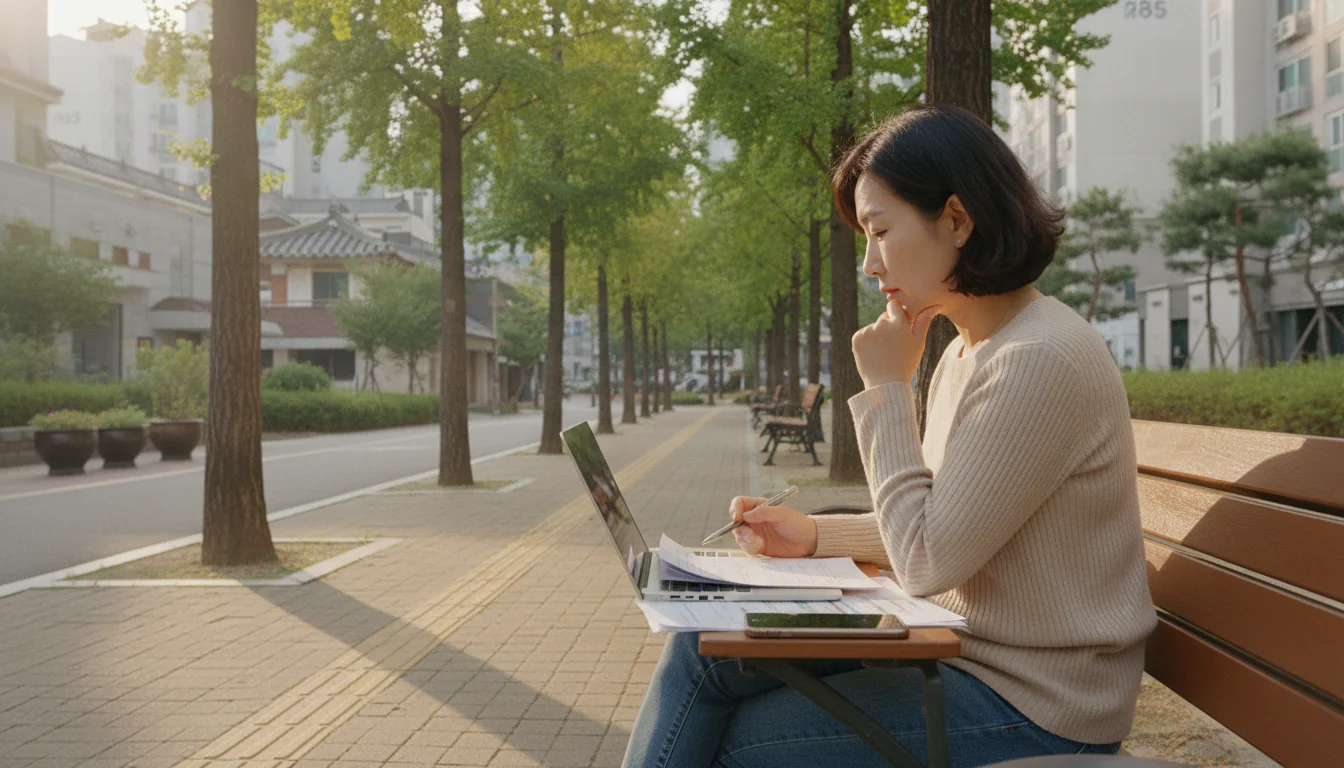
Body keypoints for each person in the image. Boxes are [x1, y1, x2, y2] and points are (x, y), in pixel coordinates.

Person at [622, 104, 1157, 768]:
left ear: (958, 220)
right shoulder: (972, 351)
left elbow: (929, 559)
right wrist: (815, 535)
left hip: (1038, 706)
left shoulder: (1036, 361)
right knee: (701, 651)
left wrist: (887, 391)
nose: (871, 265)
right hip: (967, 657)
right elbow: (947, 526)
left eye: (879, 231)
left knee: (737, 746)